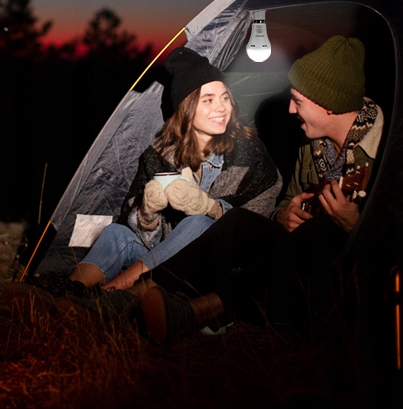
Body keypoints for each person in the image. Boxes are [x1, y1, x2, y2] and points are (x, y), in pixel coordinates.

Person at [138, 35, 385, 343]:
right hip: (295, 266)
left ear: (329, 105)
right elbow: (286, 200)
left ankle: (198, 311)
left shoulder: (387, 149)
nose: (291, 111)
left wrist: (355, 225)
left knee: (324, 232)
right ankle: (135, 297)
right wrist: (282, 216)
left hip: (353, 283)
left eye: (298, 101)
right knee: (238, 223)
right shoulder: (313, 148)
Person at [37, 47, 281, 298]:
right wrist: (148, 212)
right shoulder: (160, 155)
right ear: (186, 107)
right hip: (160, 253)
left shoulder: (248, 151)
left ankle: (112, 297)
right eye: (208, 100)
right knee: (115, 233)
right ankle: (68, 289)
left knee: (198, 222)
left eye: (225, 97)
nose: (221, 108)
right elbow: (137, 225)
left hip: (213, 265)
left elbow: (254, 225)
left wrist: (210, 207)